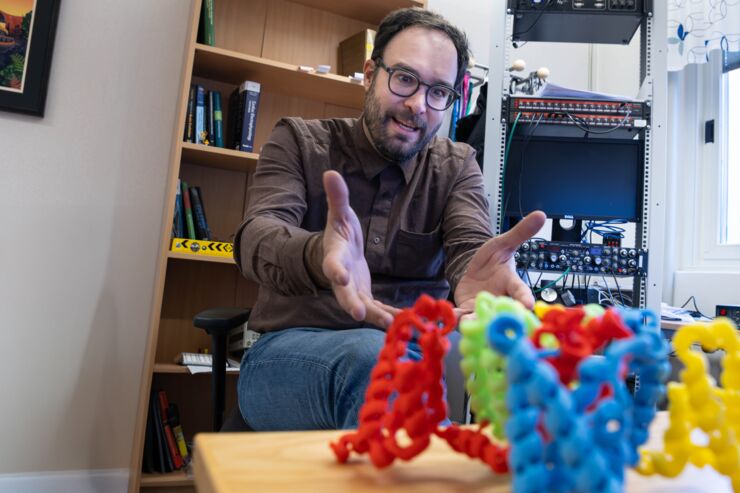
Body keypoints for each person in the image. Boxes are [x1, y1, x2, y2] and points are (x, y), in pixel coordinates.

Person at [233, 7, 546, 431]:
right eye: (405, 79)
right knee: (378, 363)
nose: (418, 105)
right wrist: (318, 252)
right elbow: (257, 237)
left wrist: (479, 274)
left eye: (438, 92)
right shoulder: (300, 142)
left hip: (410, 361)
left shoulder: (456, 166)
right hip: (287, 353)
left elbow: (469, 242)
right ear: (369, 74)